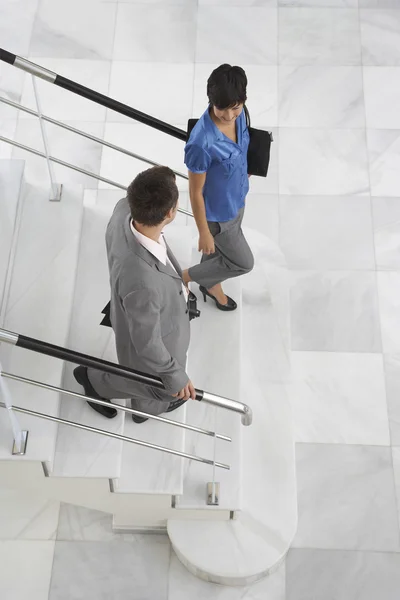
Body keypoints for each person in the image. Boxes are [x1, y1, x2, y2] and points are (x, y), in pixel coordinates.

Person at [74, 166, 196, 421]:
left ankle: (144, 408)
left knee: (150, 379)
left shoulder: (124, 209)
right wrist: (175, 375)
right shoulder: (143, 283)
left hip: (141, 303)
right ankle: (94, 381)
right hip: (149, 326)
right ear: (170, 213)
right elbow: (148, 344)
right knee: (163, 388)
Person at [182, 64, 254, 311]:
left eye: (235, 107)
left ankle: (210, 284)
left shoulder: (241, 113)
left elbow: (241, 145)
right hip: (218, 218)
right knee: (244, 262)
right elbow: (195, 192)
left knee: (219, 253)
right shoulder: (201, 143)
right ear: (212, 101)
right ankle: (185, 277)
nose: (230, 116)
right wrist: (204, 232)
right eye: (222, 109)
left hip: (238, 199)